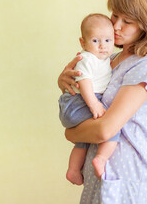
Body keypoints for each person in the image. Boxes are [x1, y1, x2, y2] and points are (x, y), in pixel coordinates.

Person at [58, 0, 147, 204]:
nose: (116, 26)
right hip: (97, 176)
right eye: (115, 15)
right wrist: (63, 82)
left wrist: (71, 133)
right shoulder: (108, 60)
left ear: (146, 25)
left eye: (127, 21)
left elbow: (104, 129)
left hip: (128, 179)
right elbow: (82, 98)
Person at [58, 13, 119, 185]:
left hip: (77, 103)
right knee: (114, 126)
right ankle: (101, 158)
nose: (102, 46)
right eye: (95, 41)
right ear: (82, 43)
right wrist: (94, 104)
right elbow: (83, 81)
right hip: (79, 102)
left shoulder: (105, 59)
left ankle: (73, 170)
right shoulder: (87, 58)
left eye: (108, 40)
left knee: (83, 140)